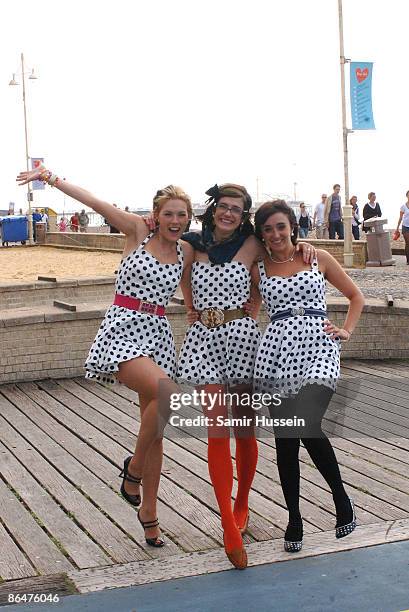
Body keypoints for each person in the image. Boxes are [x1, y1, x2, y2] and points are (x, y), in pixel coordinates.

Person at [17, 165, 194, 549]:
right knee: (167, 394)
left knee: (156, 430)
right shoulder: (136, 230)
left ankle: (149, 513)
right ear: (157, 214)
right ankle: (131, 470)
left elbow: (228, 252)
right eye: (169, 213)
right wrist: (49, 178)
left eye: (182, 214)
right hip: (124, 329)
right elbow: (92, 201)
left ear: (188, 218)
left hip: (159, 333)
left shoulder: (186, 251)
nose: (175, 220)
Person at [174, 184, 316, 570]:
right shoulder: (191, 243)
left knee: (244, 430)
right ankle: (228, 525)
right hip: (204, 341)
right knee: (216, 430)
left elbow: (283, 255)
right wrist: (190, 306)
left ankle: (242, 503)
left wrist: (306, 248)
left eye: (237, 209)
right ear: (213, 208)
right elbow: (175, 267)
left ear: (244, 215)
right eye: (224, 207)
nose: (229, 214)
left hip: (242, 340)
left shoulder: (253, 243)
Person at [251, 200, 364, 553]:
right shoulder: (258, 268)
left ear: (292, 227)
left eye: (281, 226)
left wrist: (346, 330)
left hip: (318, 349)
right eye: (268, 229)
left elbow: (355, 296)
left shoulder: (315, 257)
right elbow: (249, 310)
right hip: (276, 355)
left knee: (306, 424)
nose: (275, 234)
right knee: (286, 439)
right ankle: (295, 517)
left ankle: (341, 498)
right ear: (262, 234)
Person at [395, 190, 409, 264]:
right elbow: (400, 217)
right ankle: (408, 260)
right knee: (407, 242)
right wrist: (397, 227)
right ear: (406, 196)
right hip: (405, 226)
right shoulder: (403, 206)